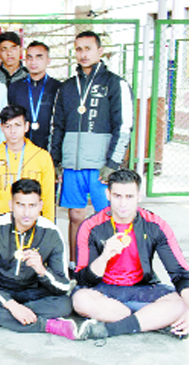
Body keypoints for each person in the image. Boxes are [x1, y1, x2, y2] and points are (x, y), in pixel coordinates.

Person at [68, 169, 189, 341]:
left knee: (183, 304)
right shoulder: (90, 226)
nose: (123, 204)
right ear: (108, 194)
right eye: (117, 196)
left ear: (139, 196)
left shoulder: (155, 225)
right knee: (80, 300)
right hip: (104, 291)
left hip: (143, 288)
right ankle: (150, 320)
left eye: (129, 197)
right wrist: (105, 257)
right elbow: (83, 279)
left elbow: (181, 273)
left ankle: (112, 328)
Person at [50, 31, 134, 263]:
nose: (83, 54)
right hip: (72, 165)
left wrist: (112, 164)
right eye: (78, 49)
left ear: (100, 51)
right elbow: (57, 126)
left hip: (101, 166)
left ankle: (108, 265)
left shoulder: (115, 83)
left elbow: (124, 126)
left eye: (88, 48)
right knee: (75, 216)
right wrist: (56, 161)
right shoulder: (66, 87)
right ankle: (76, 265)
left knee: (107, 217)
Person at [0, 179, 73, 336]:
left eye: (32, 206)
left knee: (64, 304)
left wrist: (43, 271)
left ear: (41, 206)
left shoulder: (51, 232)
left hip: (32, 293)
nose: (26, 212)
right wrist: (10, 304)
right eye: (20, 205)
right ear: (11, 205)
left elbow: (63, 286)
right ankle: (47, 326)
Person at [0, 105, 55, 224]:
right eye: (8, 126)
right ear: (1, 128)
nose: (13, 131)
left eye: (17, 125)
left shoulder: (42, 157)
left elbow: (48, 199)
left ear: (26, 127)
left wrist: (48, 229)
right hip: (0, 224)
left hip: (32, 224)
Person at [7, 41, 61, 150]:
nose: (33, 62)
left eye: (39, 57)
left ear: (48, 60)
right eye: (29, 57)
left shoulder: (58, 87)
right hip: (21, 149)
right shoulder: (15, 87)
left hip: (49, 149)